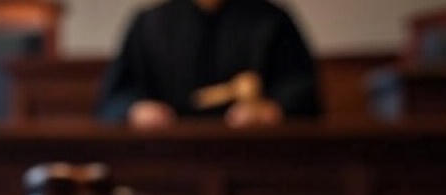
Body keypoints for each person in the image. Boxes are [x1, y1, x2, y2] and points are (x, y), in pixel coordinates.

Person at [98, 0, 321, 129]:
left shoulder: (271, 21)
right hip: (167, 156)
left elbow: (302, 90)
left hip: (252, 155)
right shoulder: (150, 24)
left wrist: (272, 109)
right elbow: (113, 98)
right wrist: (135, 110)